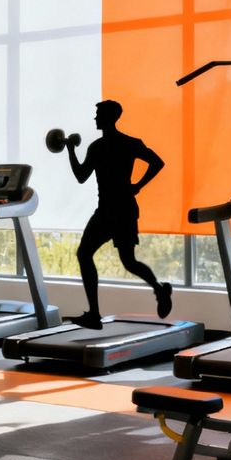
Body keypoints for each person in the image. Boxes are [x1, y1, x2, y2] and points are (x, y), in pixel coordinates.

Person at [65, 100, 172, 330]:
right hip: (109, 210)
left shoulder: (115, 145)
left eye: (98, 114)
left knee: (127, 261)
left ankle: (159, 288)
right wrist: (138, 185)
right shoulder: (107, 146)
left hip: (120, 210)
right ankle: (94, 313)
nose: (95, 118)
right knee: (88, 254)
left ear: (107, 117)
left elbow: (80, 175)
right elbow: (82, 176)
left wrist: (71, 150)